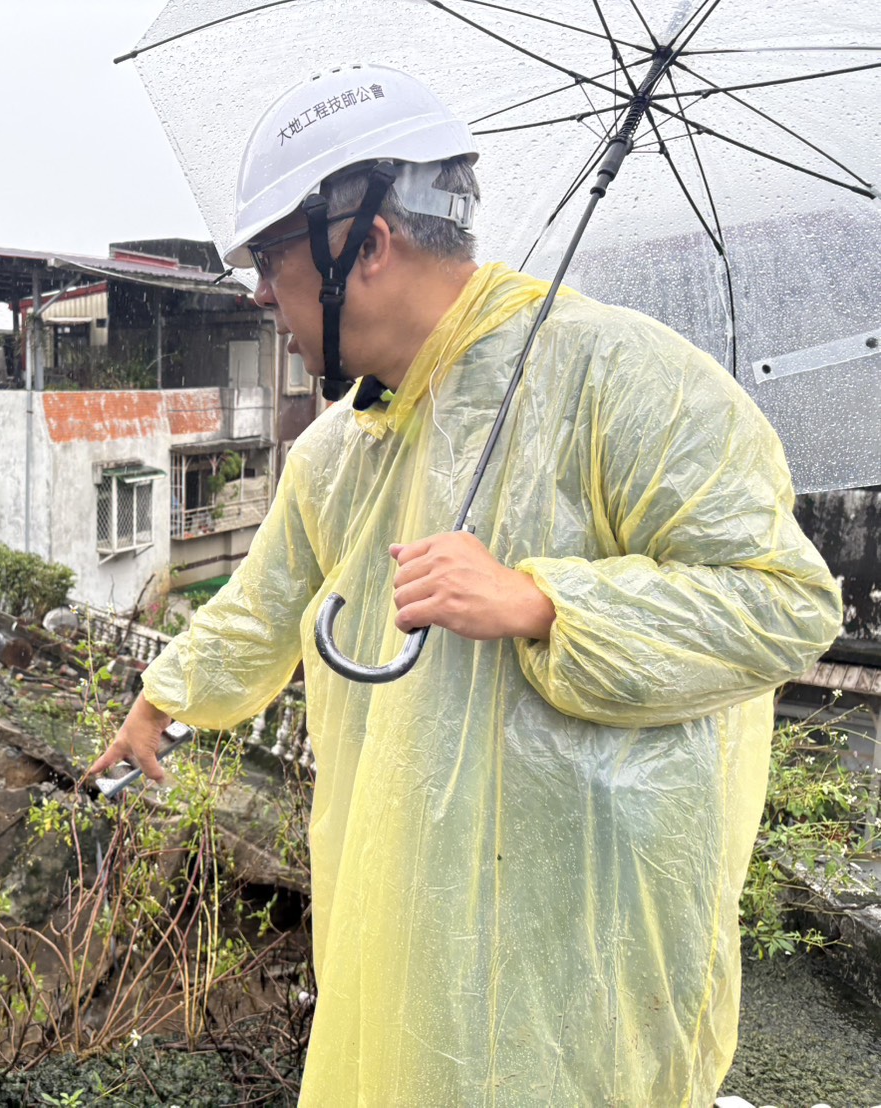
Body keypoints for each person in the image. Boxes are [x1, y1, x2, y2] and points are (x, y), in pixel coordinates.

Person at [87, 63, 842, 1105]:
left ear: (365, 245)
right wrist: (162, 700)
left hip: (583, 944)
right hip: (404, 915)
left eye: (272, 260)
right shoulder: (340, 449)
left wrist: (543, 603)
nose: (259, 294)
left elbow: (782, 606)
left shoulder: (628, 379)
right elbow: (262, 608)